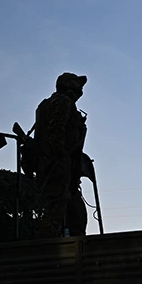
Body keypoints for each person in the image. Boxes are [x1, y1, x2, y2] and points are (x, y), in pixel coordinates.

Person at [34, 72, 88, 238]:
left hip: (61, 167)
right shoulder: (62, 101)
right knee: (55, 213)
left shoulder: (51, 103)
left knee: (76, 212)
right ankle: (47, 252)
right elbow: (56, 131)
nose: (80, 89)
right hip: (57, 166)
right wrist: (61, 159)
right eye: (77, 84)